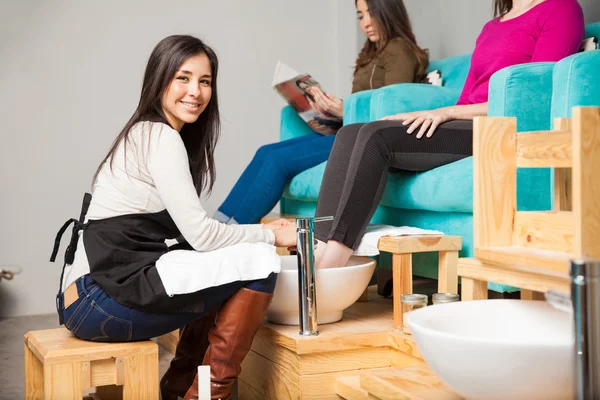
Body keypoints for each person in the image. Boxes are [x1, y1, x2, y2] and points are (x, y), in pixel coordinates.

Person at [50, 35, 296, 400]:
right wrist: (270, 236)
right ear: (159, 79)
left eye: (205, 81)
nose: (194, 91)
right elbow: (202, 236)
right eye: (183, 77)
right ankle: (206, 394)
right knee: (259, 262)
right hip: (98, 301)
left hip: (82, 297)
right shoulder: (159, 137)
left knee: (218, 269)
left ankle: (180, 387)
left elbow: (191, 238)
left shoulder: (145, 132)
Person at [312, 0, 585, 270]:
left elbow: (534, 94)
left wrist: (445, 113)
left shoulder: (560, 8)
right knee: (350, 132)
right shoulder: (492, 27)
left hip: (499, 128)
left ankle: (332, 265)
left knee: (376, 138)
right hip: (465, 122)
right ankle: (318, 248)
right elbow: (466, 99)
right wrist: (420, 115)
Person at [214, 0, 429, 225]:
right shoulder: (372, 53)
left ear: (388, 12)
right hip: (348, 129)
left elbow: (391, 109)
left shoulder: (399, 50)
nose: (366, 23)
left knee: (277, 160)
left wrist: (344, 110)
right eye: (360, 16)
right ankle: (216, 227)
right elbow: (363, 104)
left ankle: (234, 233)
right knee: (265, 153)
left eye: (372, 14)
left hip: (364, 137)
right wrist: (326, 109)